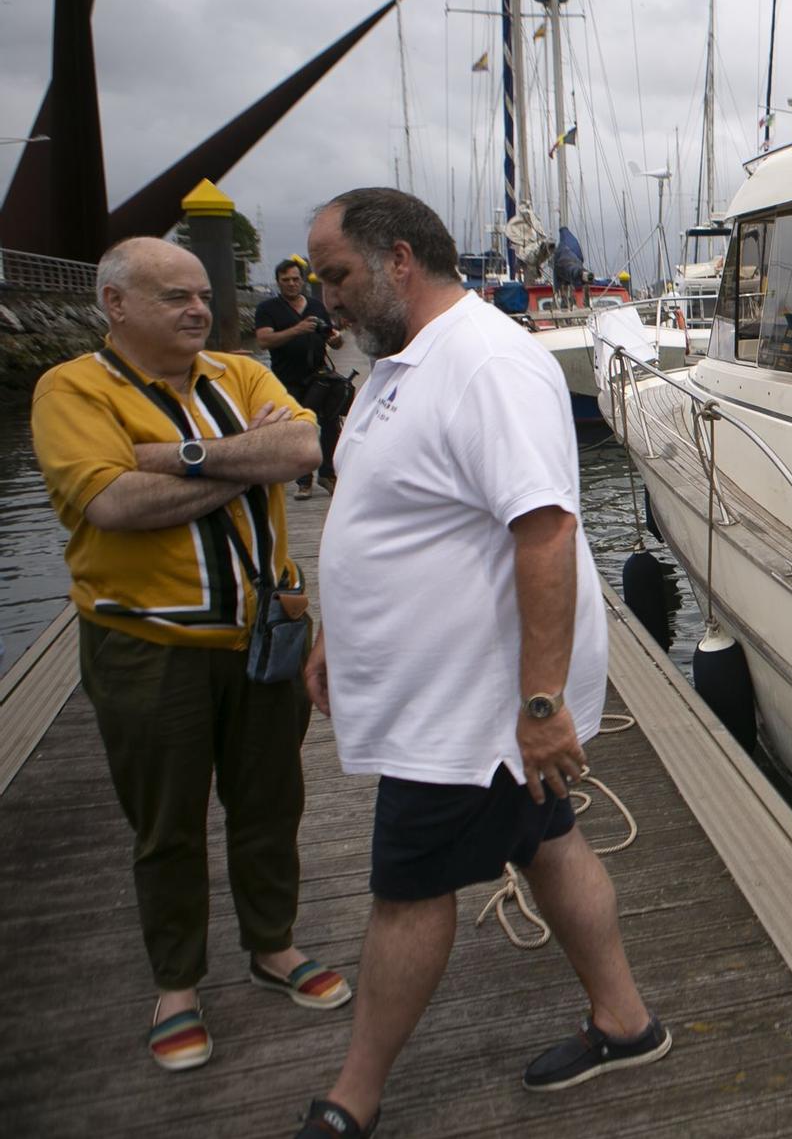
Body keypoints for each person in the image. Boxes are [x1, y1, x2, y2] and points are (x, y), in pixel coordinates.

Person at [293, 188, 667, 1138]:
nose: (323, 296)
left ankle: (354, 1095)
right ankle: (626, 1022)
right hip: (445, 694)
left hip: (468, 709)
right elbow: (380, 509)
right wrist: (338, 626)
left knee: (408, 888)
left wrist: (542, 702)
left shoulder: (488, 363)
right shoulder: (399, 365)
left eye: (336, 275)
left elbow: (543, 532)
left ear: (401, 259)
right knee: (544, 841)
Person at [30, 238, 351, 1074]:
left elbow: (305, 448)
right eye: (174, 296)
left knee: (271, 799)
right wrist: (248, 464)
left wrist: (179, 458)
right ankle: (176, 982)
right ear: (117, 304)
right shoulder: (71, 390)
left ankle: (272, 945)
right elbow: (112, 503)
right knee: (166, 822)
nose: (199, 310)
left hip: (264, 634)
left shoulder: (237, 374)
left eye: (203, 294)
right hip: (149, 646)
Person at [253, 257, 344, 497]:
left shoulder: (316, 306)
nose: (292, 284)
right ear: (278, 282)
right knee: (299, 428)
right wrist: (297, 330)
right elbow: (263, 340)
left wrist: (336, 340)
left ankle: (327, 474)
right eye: (286, 280)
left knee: (330, 424)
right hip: (287, 379)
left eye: (295, 279)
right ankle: (303, 480)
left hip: (320, 376)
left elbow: (331, 336)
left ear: (303, 280)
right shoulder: (267, 309)